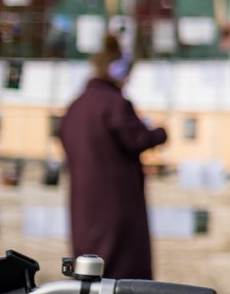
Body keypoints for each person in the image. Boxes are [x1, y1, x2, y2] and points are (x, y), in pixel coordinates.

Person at [57, 36, 165, 280]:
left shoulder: (76, 106)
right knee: (119, 267)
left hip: (84, 200)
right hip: (116, 201)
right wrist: (160, 133)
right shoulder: (114, 104)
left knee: (90, 263)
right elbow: (135, 139)